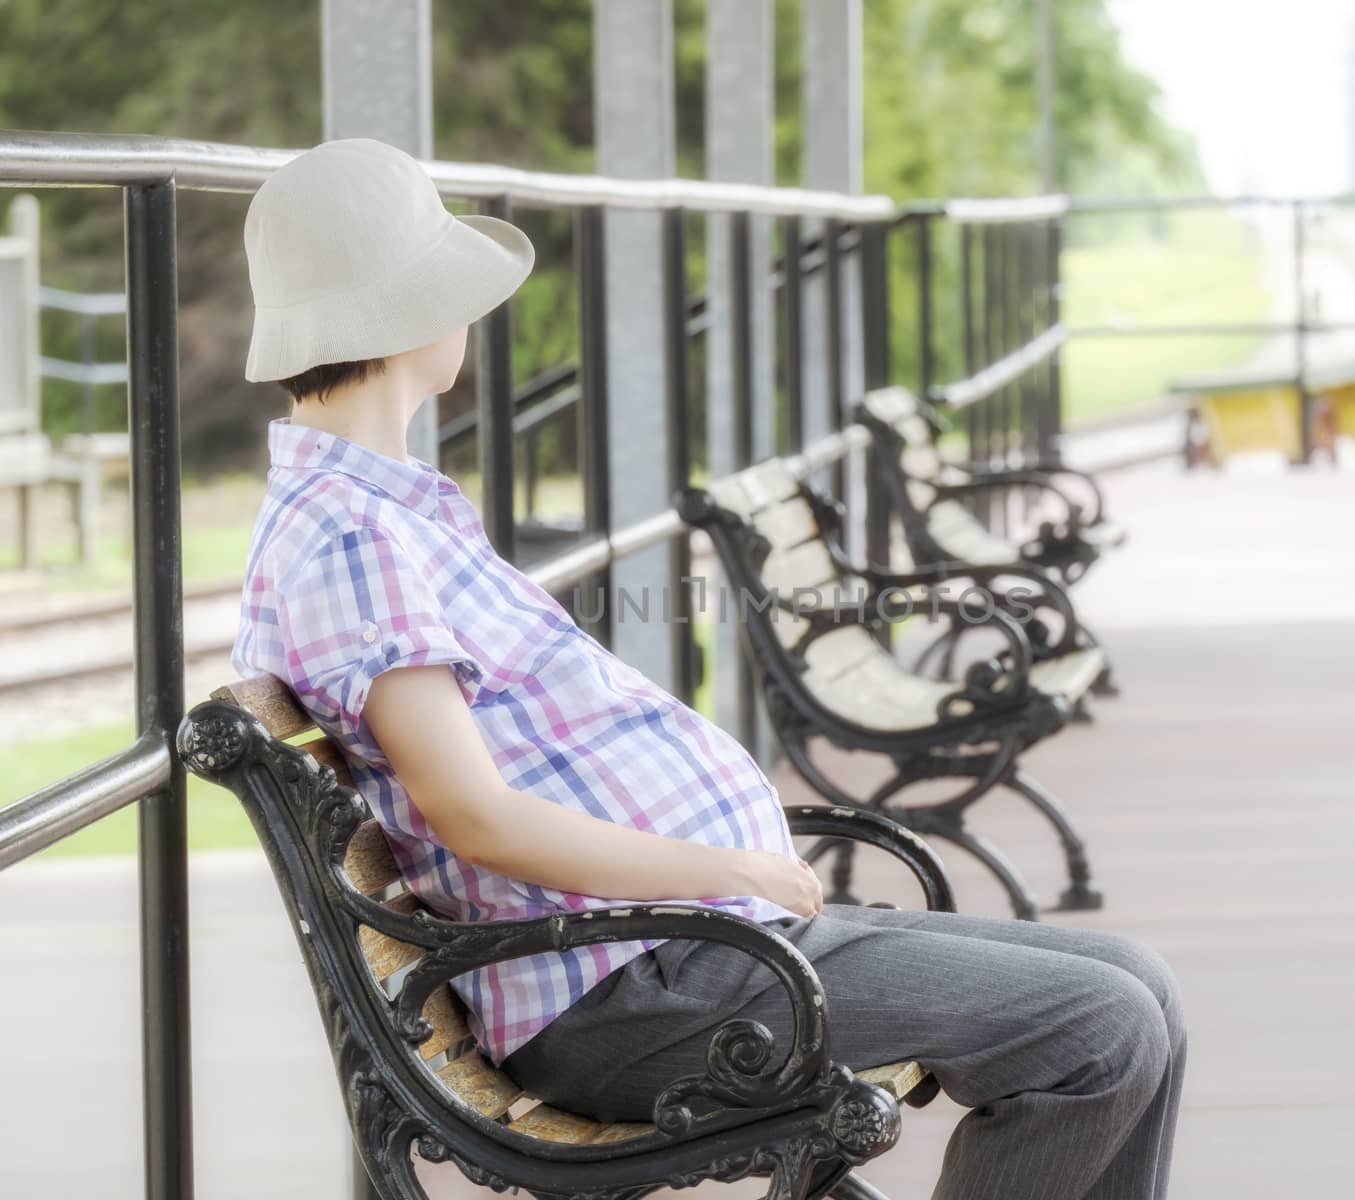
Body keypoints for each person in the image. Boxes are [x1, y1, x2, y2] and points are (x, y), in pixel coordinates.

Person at [232, 137, 1185, 1200]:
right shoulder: (355, 537)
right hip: (626, 987)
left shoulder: (383, 508)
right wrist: (724, 869)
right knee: (1099, 1031)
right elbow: (476, 817)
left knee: (1138, 988)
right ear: (416, 312)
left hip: (676, 953)